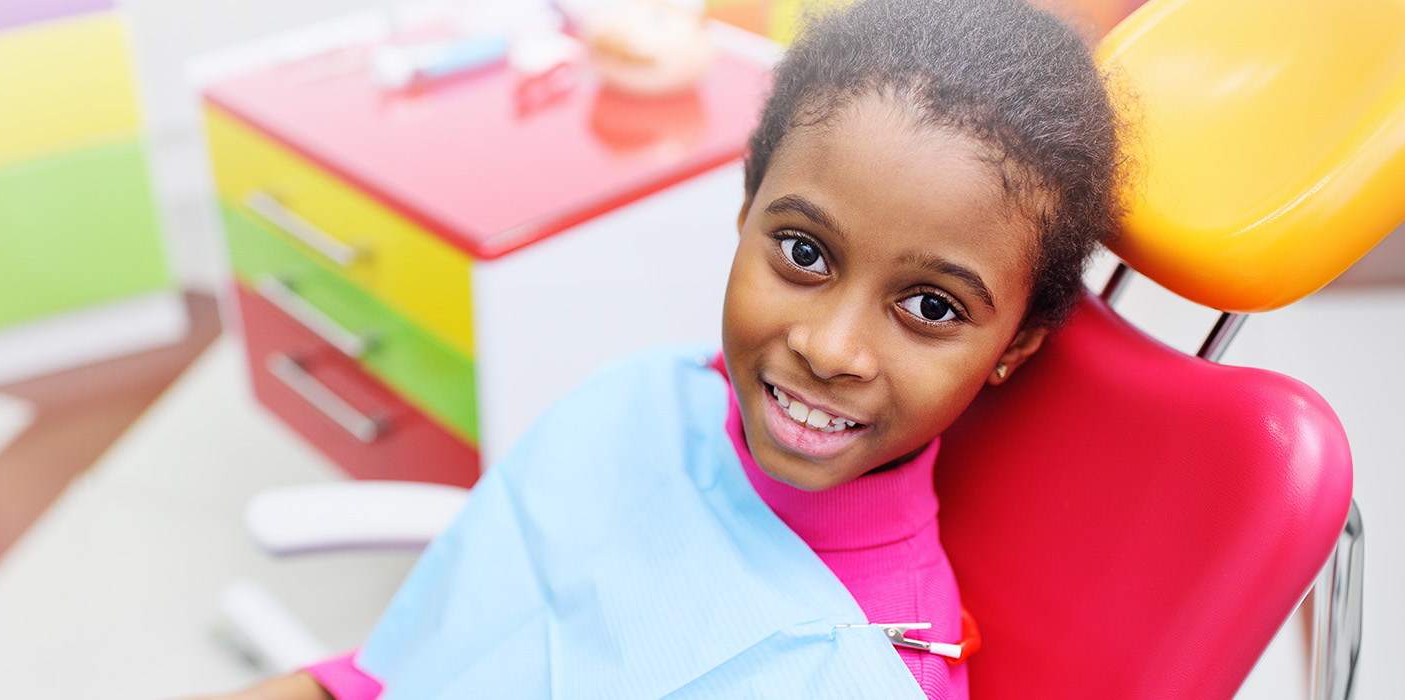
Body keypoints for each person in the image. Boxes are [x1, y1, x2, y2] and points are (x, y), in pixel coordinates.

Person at [206, 0, 1124, 697]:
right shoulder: (645, 400)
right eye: (803, 253)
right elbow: (410, 663)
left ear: (1014, 346)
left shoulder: (869, 667)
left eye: (929, 305)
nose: (829, 346)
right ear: (744, 215)